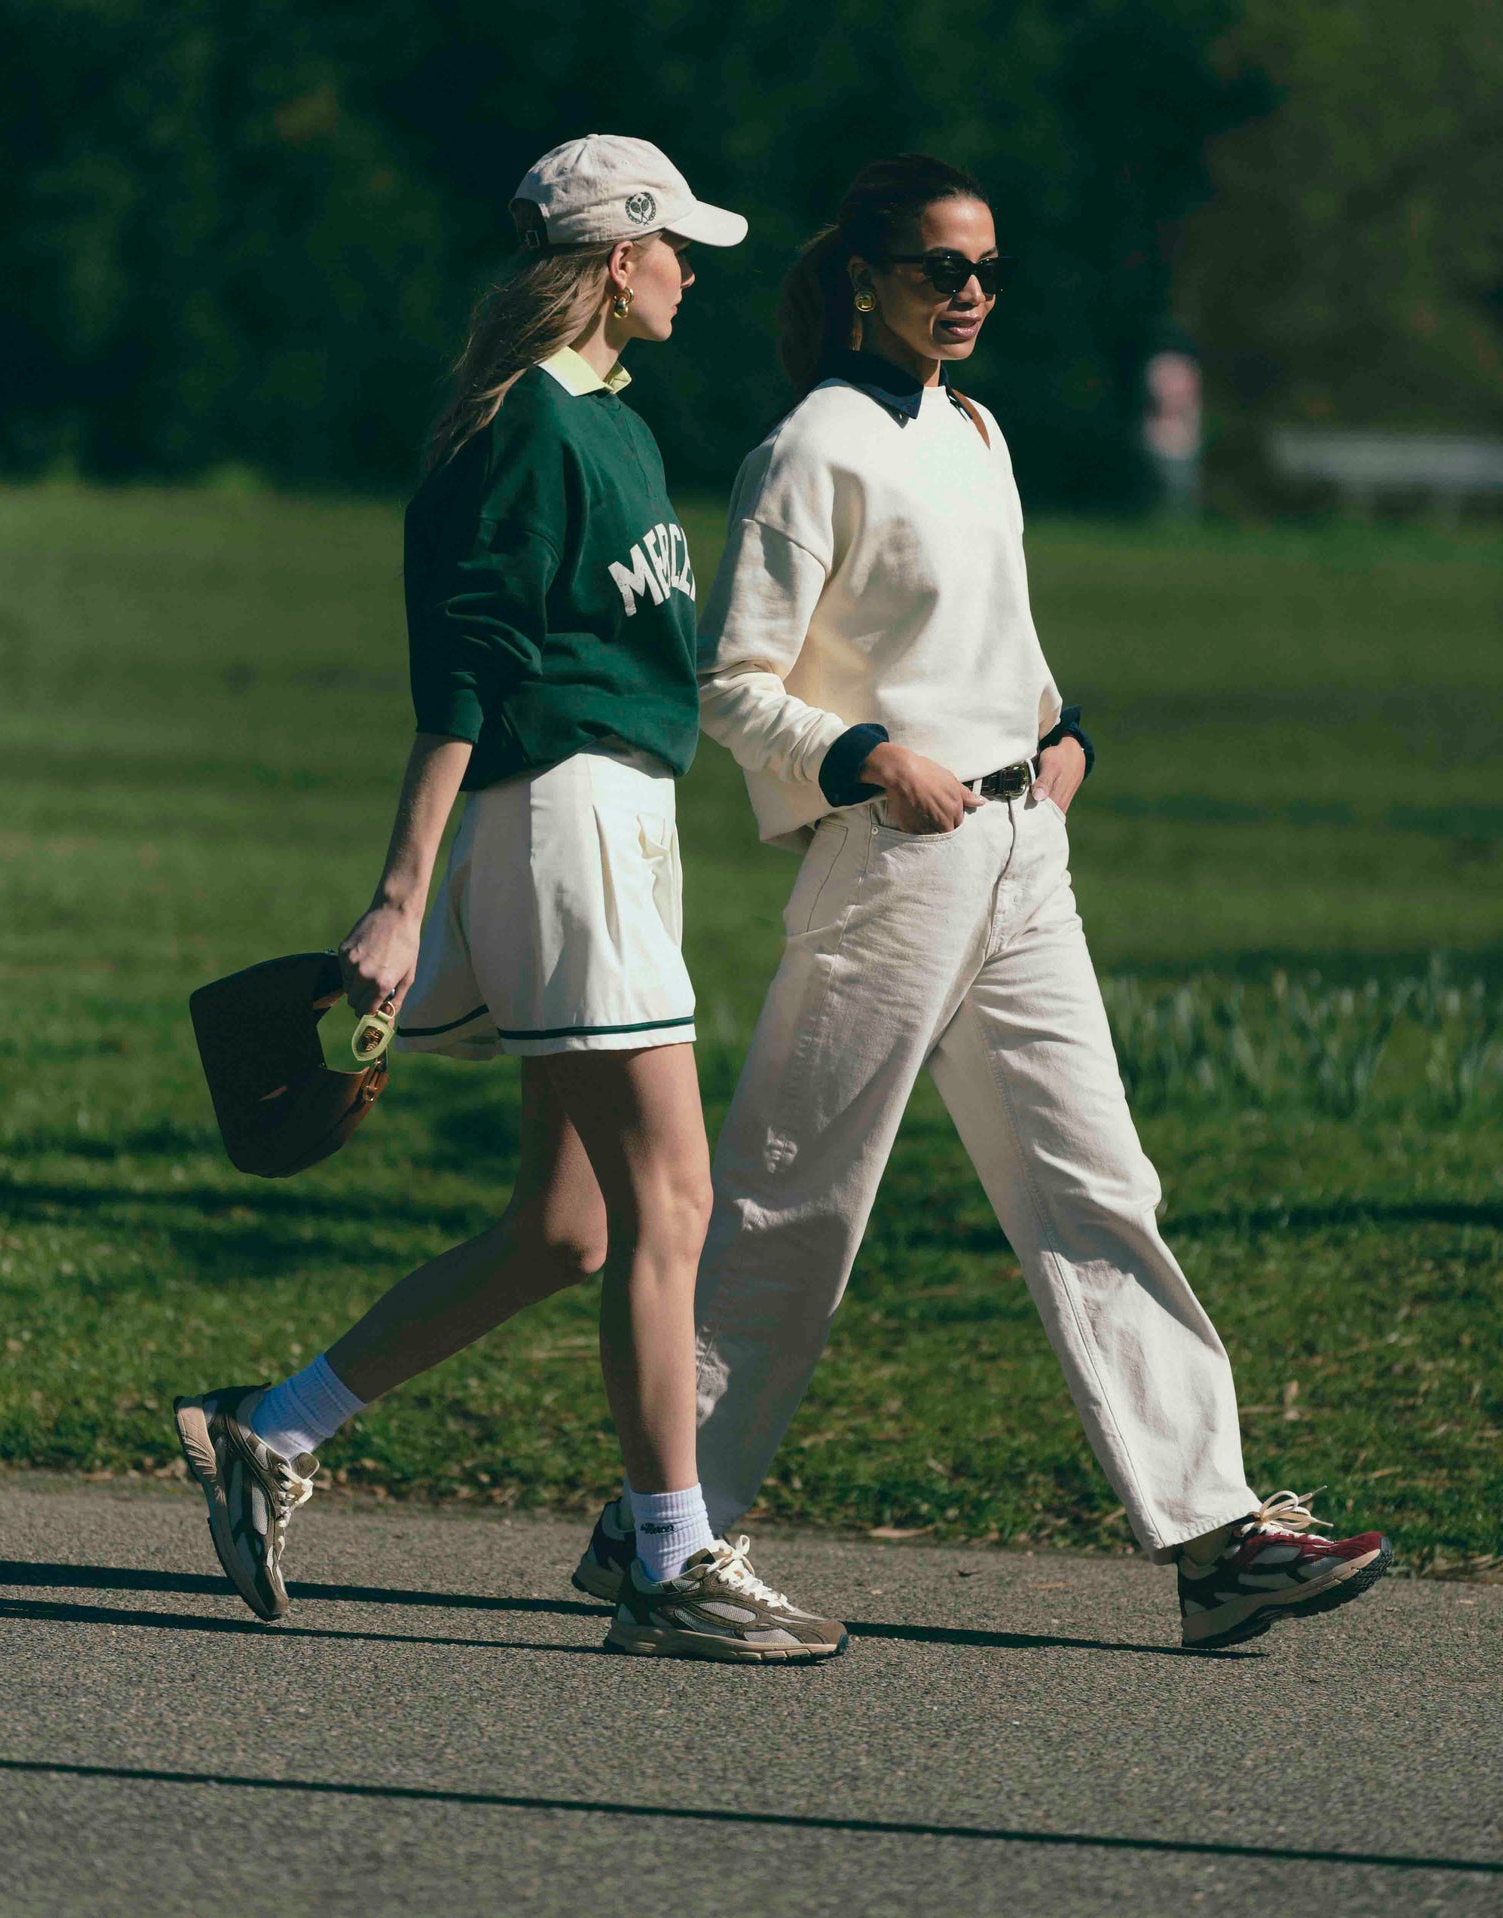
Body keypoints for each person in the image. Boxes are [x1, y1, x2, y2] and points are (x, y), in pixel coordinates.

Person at [572, 154, 1391, 1651]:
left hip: (1022, 854)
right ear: (869, 276)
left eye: (984, 271)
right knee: (791, 1203)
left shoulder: (974, 426)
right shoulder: (810, 447)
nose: (966, 294)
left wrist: (1060, 731)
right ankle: (659, 1528)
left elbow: (986, 633)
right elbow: (731, 682)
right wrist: (869, 756)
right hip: (891, 859)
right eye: (938, 268)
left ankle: (1215, 1538)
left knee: (1096, 1183)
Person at [173, 134, 847, 1666]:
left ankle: (269, 1430)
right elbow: (463, 678)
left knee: (568, 1226)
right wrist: (399, 897)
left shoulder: (608, 422)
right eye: (676, 246)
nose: (694, 271)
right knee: (672, 1197)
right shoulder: (526, 432)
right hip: (560, 825)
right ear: (619, 258)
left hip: (612, 824)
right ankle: (668, 1554)